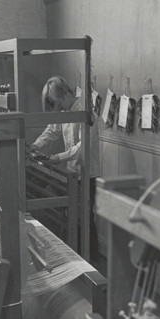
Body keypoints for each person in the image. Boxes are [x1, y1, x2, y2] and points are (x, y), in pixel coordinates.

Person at [30, 76, 100, 262]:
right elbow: (51, 130)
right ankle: (76, 259)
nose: (57, 107)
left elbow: (81, 147)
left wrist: (57, 158)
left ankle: (91, 262)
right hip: (72, 174)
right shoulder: (64, 112)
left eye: (57, 102)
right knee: (73, 218)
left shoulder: (87, 113)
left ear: (64, 94)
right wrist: (35, 147)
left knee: (85, 219)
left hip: (87, 175)